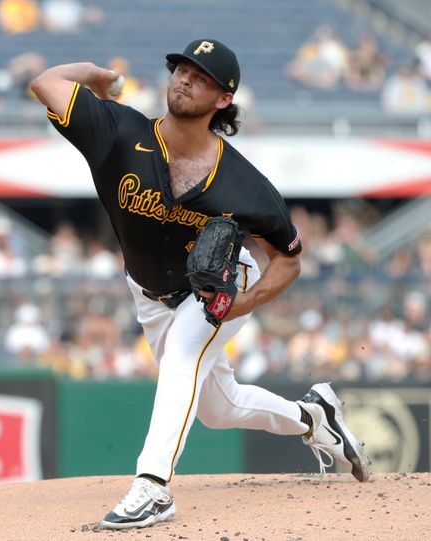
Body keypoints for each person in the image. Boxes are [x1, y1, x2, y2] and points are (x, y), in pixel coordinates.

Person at [31, 38, 372, 530]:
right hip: (148, 294)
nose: (185, 78)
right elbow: (46, 84)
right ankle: (314, 416)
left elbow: (289, 260)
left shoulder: (244, 184)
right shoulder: (117, 131)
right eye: (181, 68)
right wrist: (98, 75)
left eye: (202, 76)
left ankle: (153, 486)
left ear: (223, 99)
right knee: (218, 407)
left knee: (181, 359)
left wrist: (245, 303)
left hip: (219, 288)